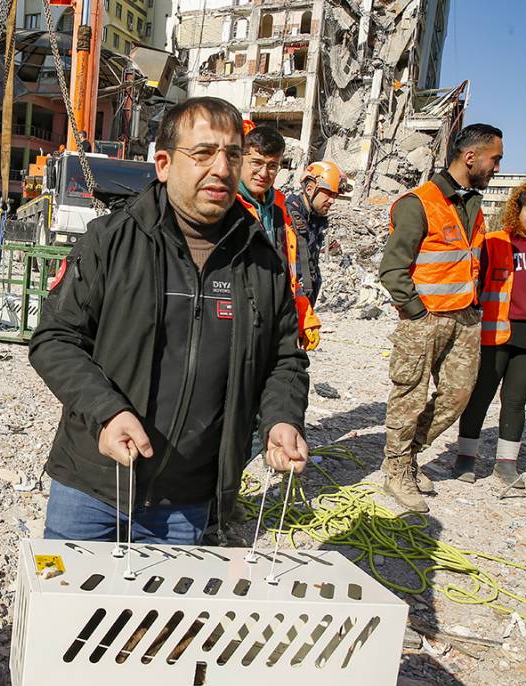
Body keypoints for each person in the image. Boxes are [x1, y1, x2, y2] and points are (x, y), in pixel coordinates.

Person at [30, 97, 309, 546]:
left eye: (232, 155)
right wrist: (108, 412)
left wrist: (281, 418)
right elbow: (55, 339)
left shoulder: (263, 262)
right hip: (91, 485)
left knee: (161, 619)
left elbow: (285, 360)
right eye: (203, 154)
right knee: (69, 613)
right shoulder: (111, 241)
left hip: (188, 503)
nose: (221, 168)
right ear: (163, 163)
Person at [378, 123, 504, 512]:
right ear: (471, 157)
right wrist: (416, 312)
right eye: (494, 159)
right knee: (409, 396)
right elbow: (392, 269)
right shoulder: (418, 203)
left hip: (465, 317)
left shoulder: (473, 204)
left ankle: (409, 455)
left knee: (458, 395)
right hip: (426, 319)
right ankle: (396, 470)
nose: (497, 167)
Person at [454, 179, 526, 488]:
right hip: (496, 332)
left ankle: (506, 464)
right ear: (517, 210)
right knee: (480, 396)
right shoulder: (496, 242)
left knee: (515, 401)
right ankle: (466, 457)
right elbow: (474, 280)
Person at [237, 125, 321, 349]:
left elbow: (291, 273)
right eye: (256, 163)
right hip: (235, 325)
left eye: (272, 166)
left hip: (272, 323)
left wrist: (305, 317)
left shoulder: (280, 210)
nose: (264, 173)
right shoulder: (225, 206)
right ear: (239, 160)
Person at [285, 160, 349, 306]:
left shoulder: (315, 221)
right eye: (328, 193)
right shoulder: (286, 217)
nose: (332, 200)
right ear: (309, 188)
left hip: (304, 305)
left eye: (335, 195)